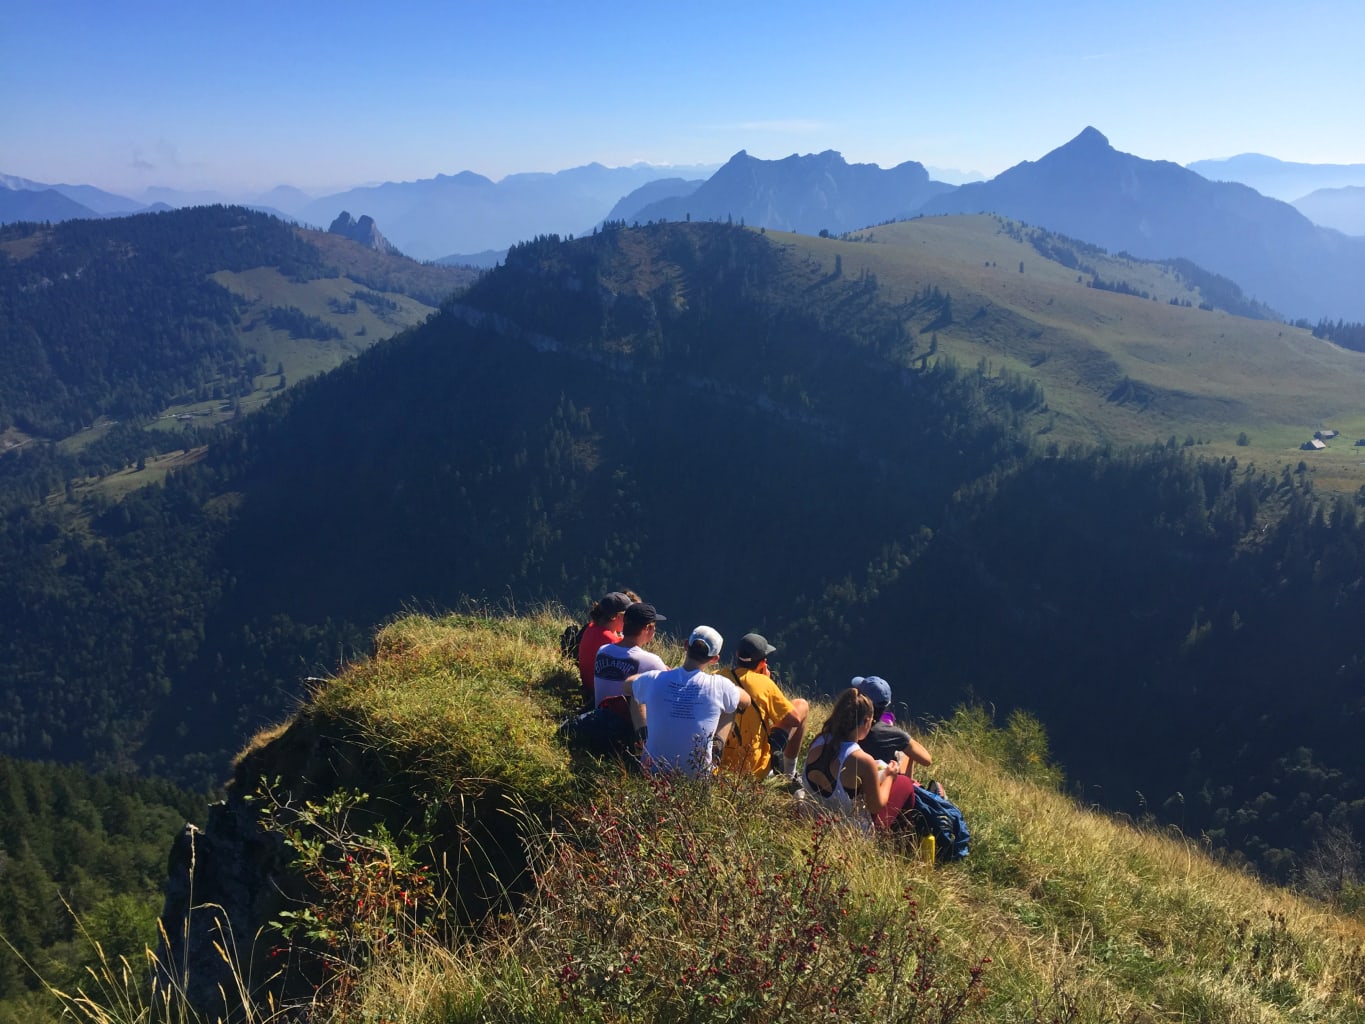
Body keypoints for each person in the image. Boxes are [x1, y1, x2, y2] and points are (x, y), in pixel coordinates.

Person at [624, 625, 751, 777]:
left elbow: (626, 685)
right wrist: (732, 689)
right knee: (730, 705)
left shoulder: (655, 679)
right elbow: (746, 701)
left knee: (637, 694)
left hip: (652, 772)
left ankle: (643, 736)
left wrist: (655, 677)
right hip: (697, 777)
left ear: (685, 645)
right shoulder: (719, 685)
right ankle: (717, 746)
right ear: (714, 659)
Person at [800, 687, 916, 829]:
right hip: (846, 831)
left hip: (812, 818)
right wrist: (890, 777)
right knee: (904, 783)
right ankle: (900, 839)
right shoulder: (862, 760)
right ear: (866, 721)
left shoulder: (819, 740)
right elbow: (875, 806)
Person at [718, 633, 809, 779]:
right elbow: (794, 720)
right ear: (762, 663)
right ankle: (789, 774)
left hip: (717, 766)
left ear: (737, 654)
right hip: (754, 770)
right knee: (801, 705)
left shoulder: (717, 677)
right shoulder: (765, 684)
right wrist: (765, 681)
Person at [851, 675, 934, 781]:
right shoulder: (892, 734)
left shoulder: (843, 721)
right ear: (886, 706)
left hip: (844, 782)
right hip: (877, 784)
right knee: (903, 754)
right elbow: (926, 760)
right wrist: (905, 740)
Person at [593, 602, 668, 707]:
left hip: (598, 719)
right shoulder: (652, 662)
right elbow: (666, 697)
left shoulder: (602, 651)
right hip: (629, 722)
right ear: (647, 628)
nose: (655, 630)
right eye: (654, 626)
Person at [576, 591, 632, 705]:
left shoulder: (591, 628)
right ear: (615, 617)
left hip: (590, 687)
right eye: (627, 615)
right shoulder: (610, 640)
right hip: (604, 697)